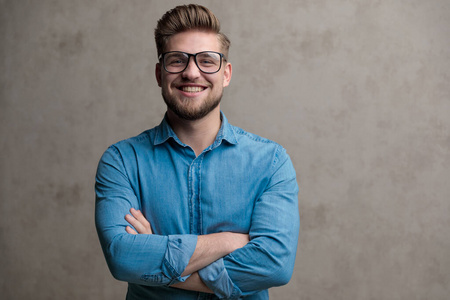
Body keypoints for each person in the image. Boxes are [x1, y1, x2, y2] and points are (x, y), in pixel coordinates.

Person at [95, 4, 299, 299]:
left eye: (207, 60)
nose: (192, 72)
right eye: (177, 60)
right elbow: (123, 258)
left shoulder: (271, 162)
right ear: (159, 73)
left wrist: (156, 259)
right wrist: (229, 241)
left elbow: (275, 265)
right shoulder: (122, 161)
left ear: (226, 74)